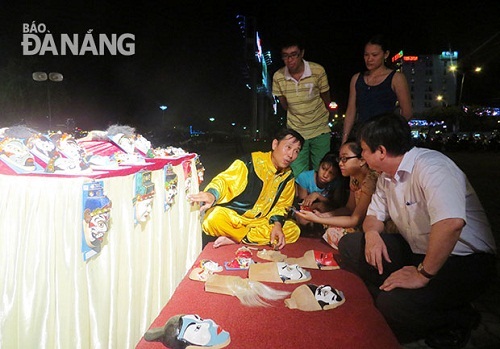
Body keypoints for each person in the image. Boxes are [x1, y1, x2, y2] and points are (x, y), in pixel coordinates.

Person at [337, 113, 497, 347]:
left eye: (363, 150)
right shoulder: (385, 177)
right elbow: (373, 216)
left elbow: (451, 224)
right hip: (417, 250)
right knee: (351, 246)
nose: (362, 156)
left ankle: (459, 318)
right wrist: (372, 235)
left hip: (464, 260)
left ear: (381, 151)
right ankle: (397, 290)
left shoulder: (432, 167)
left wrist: (422, 275)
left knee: (393, 305)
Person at [187, 128, 304, 250]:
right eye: (288, 147)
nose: (291, 155)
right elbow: (226, 181)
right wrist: (212, 194)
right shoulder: (251, 163)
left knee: (293, 229)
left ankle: (234, 237)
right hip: (237, 218)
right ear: (275, 144)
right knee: (212, 219)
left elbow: (282, 206)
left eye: (296, 151)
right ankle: (246, 237)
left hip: (261, 221)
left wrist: (277, 224)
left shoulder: (288, 176)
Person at [295, 139, 378, 249]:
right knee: (332, 231)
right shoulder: (354, 178)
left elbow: (354, 219)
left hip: (373, 227)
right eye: (340, 159)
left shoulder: (370, 179)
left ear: (362, 160)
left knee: (339, 236)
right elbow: (349, 208)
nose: (340, 163)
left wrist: (318, 219)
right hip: (357, 222)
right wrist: (323, 216)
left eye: (345, 159)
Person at [272, 38, 333, 177]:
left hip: (319, 128)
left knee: (323, 172)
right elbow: (284, 104)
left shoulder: (317, 71)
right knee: (299, 174)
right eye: (285, 56)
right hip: (295, 131)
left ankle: (319, 199)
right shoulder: (278, 77)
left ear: (302, 53)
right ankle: (302, 199)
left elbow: (326, 98)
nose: (290, 60)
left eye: (294, 54)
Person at [342, 34, 412, 144]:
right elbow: (351, 111)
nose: (369, 59)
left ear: (386, 54)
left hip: (385, 137)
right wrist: (344, 140)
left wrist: (390, 132)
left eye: (374, 55)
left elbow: (407, 112)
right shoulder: (356, 78)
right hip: (362, 136)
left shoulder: (396, 78)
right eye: (366, 55)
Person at [294, 152, 345, 230]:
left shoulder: (337, 183)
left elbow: (337, 205)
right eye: (323, 168)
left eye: (331, 173)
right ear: (319, 165)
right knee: (302, 219)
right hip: (307, 211)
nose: (325, 175)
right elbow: (302, 205)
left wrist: (318, 196)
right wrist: (317, 206)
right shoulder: (304, 177)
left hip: (326, 212)